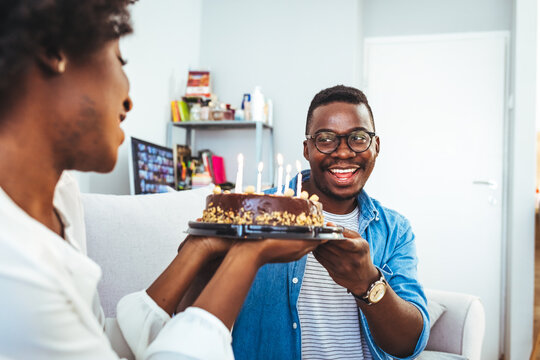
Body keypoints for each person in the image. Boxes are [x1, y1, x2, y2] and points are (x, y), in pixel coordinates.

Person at [0, 1, 323, 359]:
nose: (129, 101)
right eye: (119, 62)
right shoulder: (11, 261)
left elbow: (94, 341)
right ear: (53, 50)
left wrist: (199, 249)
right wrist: (248, 255)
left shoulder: (62, 197)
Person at [232, 85, 430, 360]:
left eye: (358, 138)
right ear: (307, 148)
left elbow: (409, 344)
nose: (344, 153)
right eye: (326, 139)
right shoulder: (253, 213)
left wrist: (368, 284)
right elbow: (193, 316)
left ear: (376, 146)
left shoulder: (395, 231)